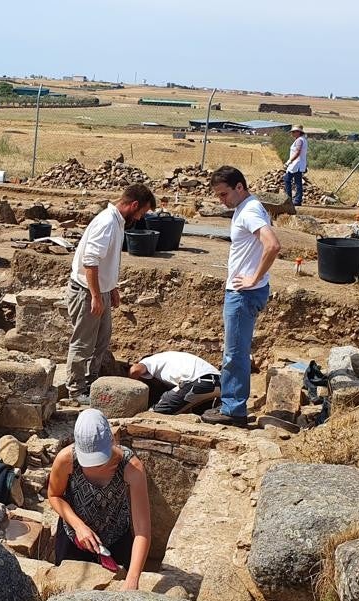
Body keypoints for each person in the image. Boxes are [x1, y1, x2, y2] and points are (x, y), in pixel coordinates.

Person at [203, 166, 281, 427]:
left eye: (224, 194)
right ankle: (231, 403)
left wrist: (254, 278)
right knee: (234, 350)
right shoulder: (245, 208)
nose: (221, 200)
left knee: (234, 353)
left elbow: (273, 245)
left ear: (239, 187)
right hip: (242, 291)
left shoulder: (249, 210)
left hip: (244, 294)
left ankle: (233, 410)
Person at [65, 183, 156, 405]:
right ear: (134, 205)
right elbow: (90, 262)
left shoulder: (117, 222)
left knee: (101, 341)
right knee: (83, 343)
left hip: (100, 290)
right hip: (87, 291)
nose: (140, 217)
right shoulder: (107, 222)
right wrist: (96, 295)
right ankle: (75, 391)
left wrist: (112, 287)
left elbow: (107, 261)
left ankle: (91, 382)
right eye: (142, 212)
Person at [47, 409, 151, 589]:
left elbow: (142, 530)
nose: (94, 467)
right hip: (75, 539)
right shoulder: (66, 459)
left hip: (116, 538)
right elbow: (54, 495)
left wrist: (132, 579)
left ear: (111, 441)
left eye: (99, 460)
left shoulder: (131, 467)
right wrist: (79, 526)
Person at [128, 351, 221, 414]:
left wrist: (131, 390)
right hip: (220, 383)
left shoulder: (150, 360)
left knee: (154, 414)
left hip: (197, 382)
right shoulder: (172, 357)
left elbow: (135, 370)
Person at [284, 125, 308, 206]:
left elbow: (297, 152)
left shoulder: (299, 140)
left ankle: (291, 199)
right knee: (297, 181)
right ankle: (296, 200)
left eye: (294, 132)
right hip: (298, 164)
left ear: (299, 132)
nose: (292, 133)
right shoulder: (302, 140)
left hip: (296, 164)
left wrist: (289, 161)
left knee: (288, 179)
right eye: (292, 132)